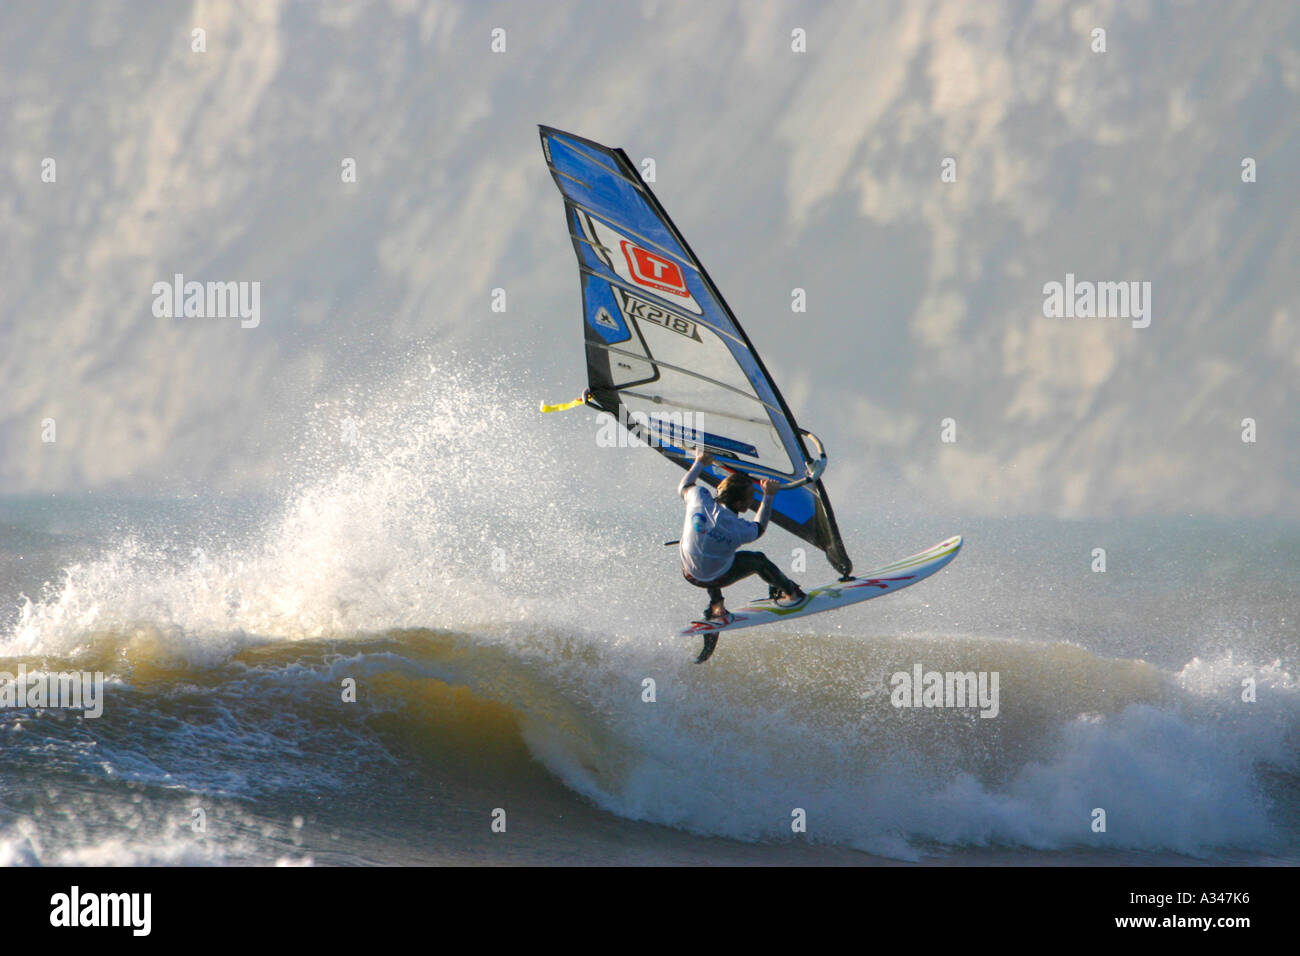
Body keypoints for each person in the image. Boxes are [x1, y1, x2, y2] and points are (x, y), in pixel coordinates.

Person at [678, 447, 807, 633]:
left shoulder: (699, 499)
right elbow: (759, 527)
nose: (750, 501)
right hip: (715, 576)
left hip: (689, 573)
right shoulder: (739, 529)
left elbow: (684, 485)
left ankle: (717, 605)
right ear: (739, 504)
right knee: (758, 560)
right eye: (750, 497)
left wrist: (699, 462)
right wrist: (769, 496)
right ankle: (791, 593)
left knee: (710, 553)